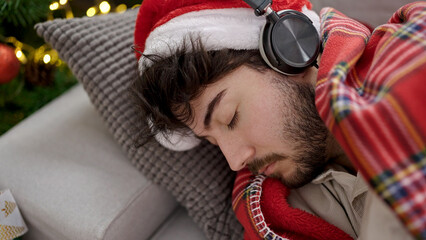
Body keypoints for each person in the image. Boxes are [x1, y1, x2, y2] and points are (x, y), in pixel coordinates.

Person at [131, 0, 426, 239]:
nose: (234, 161)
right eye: (211, 142)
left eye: (230, 118)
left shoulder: (413, 50)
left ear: (289, 51)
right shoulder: (272, 210)